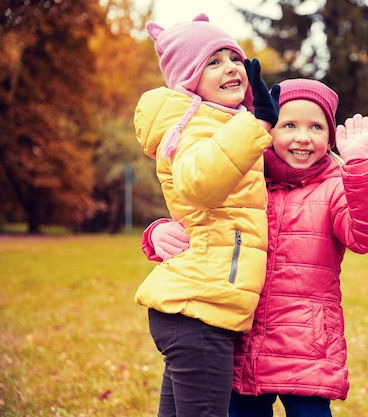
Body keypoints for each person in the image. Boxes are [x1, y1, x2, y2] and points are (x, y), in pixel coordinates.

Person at [144, 78, 368, 417]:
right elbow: (197, 212)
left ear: (331, 136)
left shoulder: (336, 187)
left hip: (305, 346)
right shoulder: (243, 178)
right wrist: (158, 233)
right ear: (268, 128)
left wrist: (358, 165)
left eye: (316, 127)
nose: (302, 137)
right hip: (241, 342)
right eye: (288, 124)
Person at [133, 13, 279, 417]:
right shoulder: (195, 125)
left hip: (200, 306)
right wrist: (258, 124)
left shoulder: (225, 123)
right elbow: (197, 183)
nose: (231, 67)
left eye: (234, 57)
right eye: (212, 61)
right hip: (198, 307)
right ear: (188, 78)